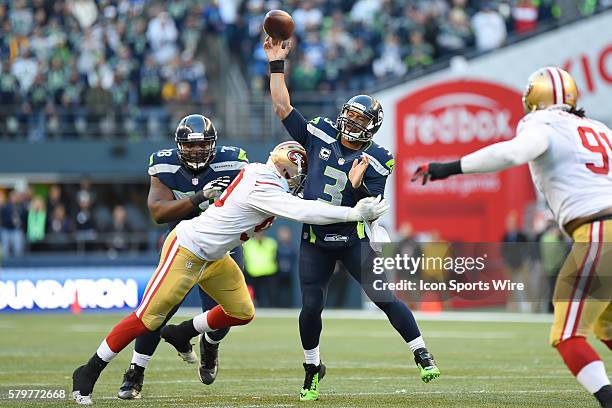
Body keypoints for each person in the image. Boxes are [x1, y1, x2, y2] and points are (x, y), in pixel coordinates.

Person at [72, 141, 389, 405]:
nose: (299, 182)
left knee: (242, 311)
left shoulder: (263, 175)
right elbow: (304, 210)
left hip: (216, 257)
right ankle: (89, 370)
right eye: (297, 176)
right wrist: (352, 212)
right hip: (188, 249)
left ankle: (185, 332)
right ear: (287, 170)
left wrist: (362, 207)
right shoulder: (265, 184)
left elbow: (306, 204)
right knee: (147, 319)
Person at [412, 67, 612, 408]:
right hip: (601, 229)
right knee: (606, 328)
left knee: (566, 336)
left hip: (599, 231)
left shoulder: (542, 123)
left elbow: (511, 154)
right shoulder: (600, 129)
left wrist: (447, 168)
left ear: (535, 99)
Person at [263, 36, 440, 402]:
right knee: (311, 306)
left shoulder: (378, 159)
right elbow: (282, 106)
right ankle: (312, 368)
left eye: (360, 120)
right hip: (315, 239)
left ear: (372, 126)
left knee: (384, 296)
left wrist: (359, 188)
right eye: (350, 115)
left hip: (353, 238)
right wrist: (276, 64)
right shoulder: (321, 133)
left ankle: (421, 351)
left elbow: (373, 207)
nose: (350, 123)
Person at [117, 114, 249, 399]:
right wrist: (199, 196)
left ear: (214, 145)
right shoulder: (164, 165)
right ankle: (135, 373)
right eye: (190, 146)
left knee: (224, 313)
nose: (196, 151)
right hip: (184, 246)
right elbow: (158, 212)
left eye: (203, 145)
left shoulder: (235, 161)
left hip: (223, 247)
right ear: (179, 146)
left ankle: (209, 345)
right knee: (156, 311)